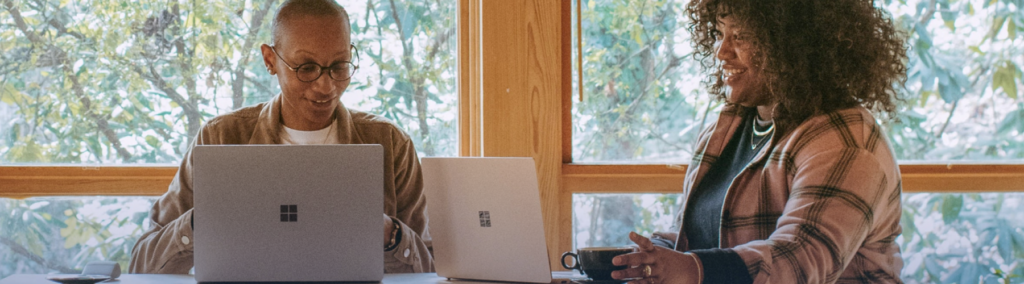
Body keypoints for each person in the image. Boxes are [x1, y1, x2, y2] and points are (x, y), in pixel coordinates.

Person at [611, 0, 908, 283]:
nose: (721, 52)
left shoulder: (845, 142)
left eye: (741, 36)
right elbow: (702, 240)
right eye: (718, 33)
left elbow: (799, 263)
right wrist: (654, 254)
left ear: (796, 44)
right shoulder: (727, 127)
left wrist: (690, 268)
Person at [129, 0, 433, 273]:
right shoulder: (220, 137)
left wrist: (388, 233)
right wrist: (202, 221)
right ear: (270, 60)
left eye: (339, 66)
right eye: (307, 67)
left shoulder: (391, 144)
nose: (326, 86)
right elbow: (143, 264)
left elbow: (434, 269)